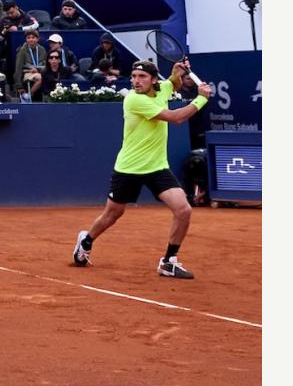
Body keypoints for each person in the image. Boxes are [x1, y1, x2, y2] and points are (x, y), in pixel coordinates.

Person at [73, 59, 212, 278]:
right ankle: (86, 241)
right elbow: (176, 118)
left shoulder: (161, 89)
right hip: (129, 168)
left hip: (157, 167)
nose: (136, 81)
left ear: (154, 80)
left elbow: (172, 85)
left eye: (142, 77)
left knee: (183, 210)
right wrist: (202, 98)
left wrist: (176, 73)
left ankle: (169, 261)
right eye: (134, 77)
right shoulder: (133, 100)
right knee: (113, 214)